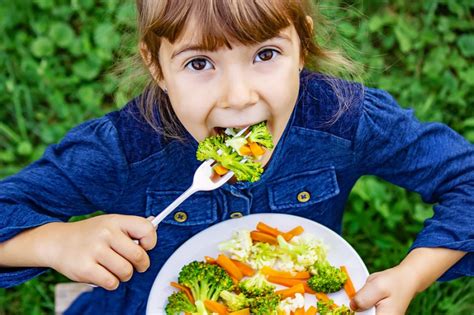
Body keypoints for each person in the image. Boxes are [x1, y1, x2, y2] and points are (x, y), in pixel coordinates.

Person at [0, 0, 472, 314]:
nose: (239, 96)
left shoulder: (341, 119)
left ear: (301, 47)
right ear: (156, 67)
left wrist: (413, 274)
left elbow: (465, 179)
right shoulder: (123, 148)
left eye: (265, 54)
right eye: (199, 63)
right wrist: (53, 242)